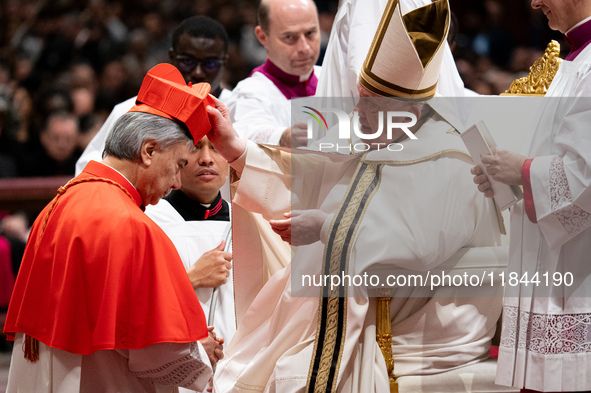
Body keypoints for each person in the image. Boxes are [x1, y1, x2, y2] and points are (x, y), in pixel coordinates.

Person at [205, 0, 503, 391]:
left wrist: (327, 227)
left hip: (417, 317)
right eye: (360, 96)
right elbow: (314, 170)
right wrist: (236, 150)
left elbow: (416, 245)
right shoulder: (374, 129)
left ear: (410, 112)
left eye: (371, 103)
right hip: (349, 294)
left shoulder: (451, 158)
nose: (358, 109)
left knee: (287, 372)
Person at [3, 64, 224, 392]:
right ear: (149, 151)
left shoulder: (64, 200)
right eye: (178, 165)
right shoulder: (130, 225)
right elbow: (152, 350)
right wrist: (199, 352)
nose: (177, 182)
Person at [471, 1, 591, 392]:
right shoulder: (574, 58)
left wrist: (523, 170)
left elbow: (585, 176)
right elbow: (557, 153)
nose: (535, 2)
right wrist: (510, 180)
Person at [76, 15, 231, 175]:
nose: (198, 72)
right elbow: (89, 170)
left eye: (210, 63)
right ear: (172, 57)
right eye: (187, 61)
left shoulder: (244, 108)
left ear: (224, 62)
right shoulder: (132, 110)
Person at [145, 135, 235, 393]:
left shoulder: (248, 221)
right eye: (196, 148)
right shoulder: (150, 221)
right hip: (174, 369)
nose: (206, 158)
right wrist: (192, 277)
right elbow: (134, 302)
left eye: (216, 148)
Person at [225, 0, 321, 147]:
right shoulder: (249, 93)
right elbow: (249, 133)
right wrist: (283, 137)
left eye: (310, 33)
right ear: (263, 37)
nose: (305, 48)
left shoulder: (334, 78)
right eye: (289, 37)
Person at [18, 111, 81, 177]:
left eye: (68, 139)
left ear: (77, 139)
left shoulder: (84, 167)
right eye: (55, 138)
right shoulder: (26, 167)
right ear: (43, 137)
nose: (62, 145)